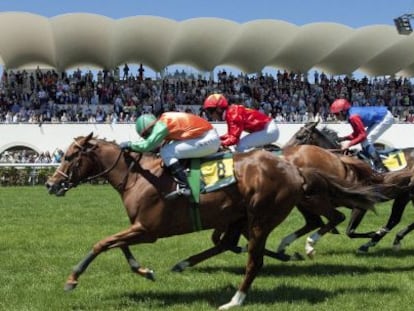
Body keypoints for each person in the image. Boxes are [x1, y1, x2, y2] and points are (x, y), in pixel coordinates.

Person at [119, 112, 221, 198]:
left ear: (149, 128)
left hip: (208, 139)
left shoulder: (161, 125)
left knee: (166, 152)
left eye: (146, 135)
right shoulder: (164, 120)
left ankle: (186, 184)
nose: (147, 137)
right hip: (207, 137)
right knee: (167, 149)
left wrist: (129, 145)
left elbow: (147, 145)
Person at [330, 98, 394, 173]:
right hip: (380, 117)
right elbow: (357, 134)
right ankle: (372, 162)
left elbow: (362, 136)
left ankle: (380, 167)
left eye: (337, 114)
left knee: (367, 140)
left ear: (343, 112)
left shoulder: (353, 117)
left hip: (385, 117)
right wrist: (344, 138)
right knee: (364, 142)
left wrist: (349, 144)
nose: (336, 116)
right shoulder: (351, 115)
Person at [202, 93, 279, 152]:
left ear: (218, 109)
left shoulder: (233, 114)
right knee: (241, 145)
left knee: (240, 146)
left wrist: (218, 143)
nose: (211, 115)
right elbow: (230, 135)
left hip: (268, 130)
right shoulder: (230, 113)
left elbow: (234, 139)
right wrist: (217, 139)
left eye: (210, 111)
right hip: (266, 128)